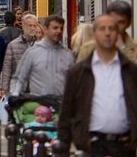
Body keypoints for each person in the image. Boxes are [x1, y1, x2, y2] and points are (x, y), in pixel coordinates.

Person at [58, 14, 137, 157]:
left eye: (111, 29)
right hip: (91, 146)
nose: (107, 33)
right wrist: (63, 147)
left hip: (124, 145)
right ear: (94, 34)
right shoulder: (78, 72)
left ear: (118, 33)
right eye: (102, 29)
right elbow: (67, 112)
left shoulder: (130, 71)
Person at [10, 15, 74, 97]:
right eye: (55, 28)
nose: (59, 31)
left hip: (61, 104)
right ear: (46, 29)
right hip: (39, 104)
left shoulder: (67, 55)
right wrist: (15, 96)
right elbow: (20, 78)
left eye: (61, 28)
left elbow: (73, 82)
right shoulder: (32, 53)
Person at [0, 13, 41, 98]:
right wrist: (4, 89)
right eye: (30, 25)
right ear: (23, 26)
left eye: (34, 26)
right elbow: (7, 68)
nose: (32, 28)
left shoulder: (40, 45)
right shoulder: (13, 45)